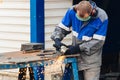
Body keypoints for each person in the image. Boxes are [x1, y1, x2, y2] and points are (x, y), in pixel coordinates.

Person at [51, 0, 108, 80]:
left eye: (83, 19)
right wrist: (57, 39)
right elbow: (62, 28)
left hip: (91, 61)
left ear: (92, 12)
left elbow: (98, 42)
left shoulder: (102, 17)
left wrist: (79, 48)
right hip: (76, 58)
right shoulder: (71, 11)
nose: (81, 21)